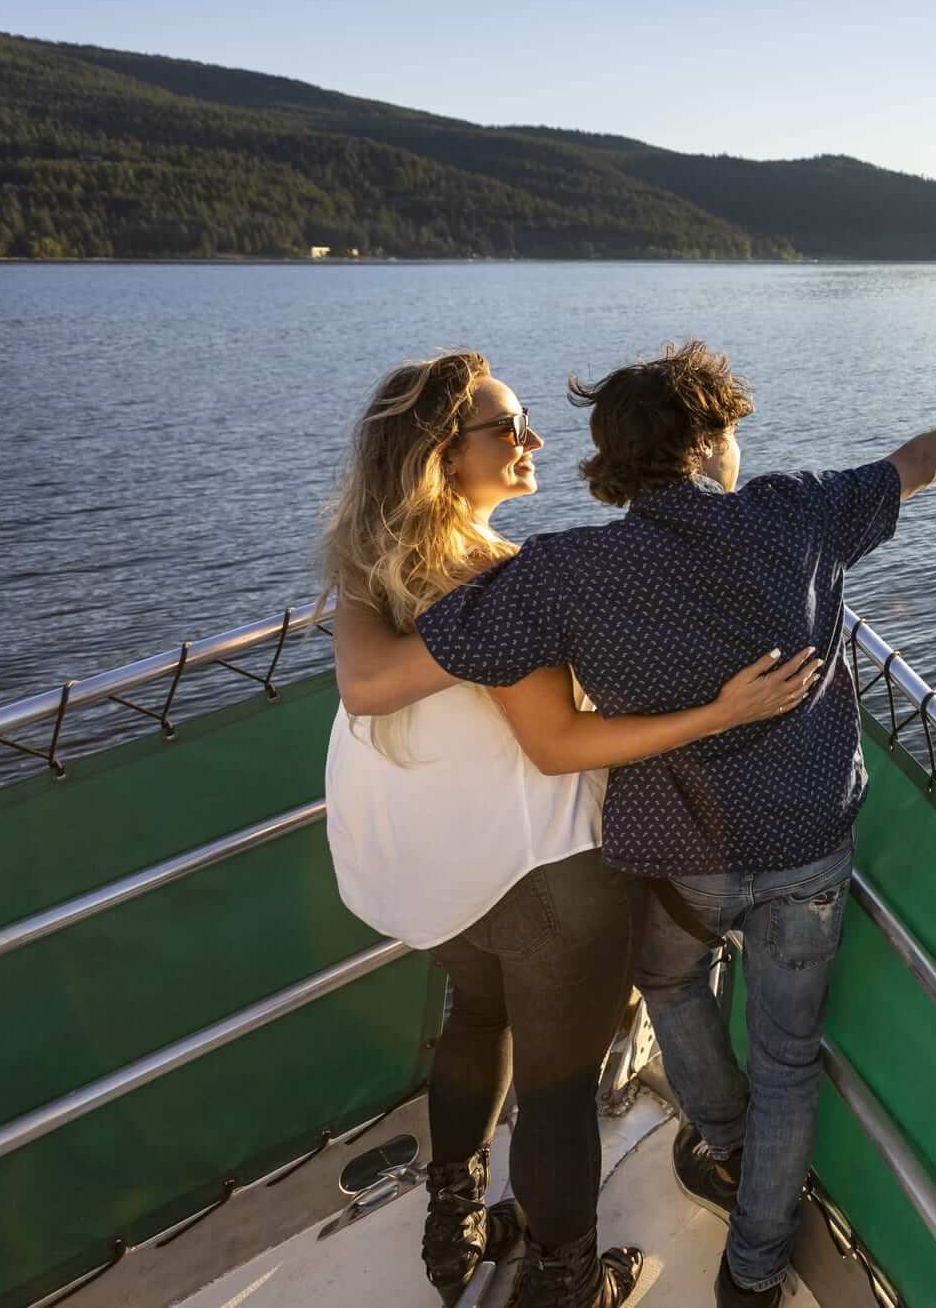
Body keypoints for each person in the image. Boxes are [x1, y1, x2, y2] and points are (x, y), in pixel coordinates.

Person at [402, 340, 936, 1308]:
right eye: (729, 428)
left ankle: (732, 1143)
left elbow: (447, 632)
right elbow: (919, 461)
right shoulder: (798, 513)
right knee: (790, 1057)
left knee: (664, 974)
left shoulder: (571, 568)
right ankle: (751, 1273)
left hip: (681, 860)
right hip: (808, 848)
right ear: (705, 438)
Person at [320, 351, 824, 1308]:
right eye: (505, 428)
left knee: (473, 1020)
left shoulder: (371, 560)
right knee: (557, 1085)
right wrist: (717, 713)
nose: (533, 440)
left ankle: (454, 1214)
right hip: (545, 871)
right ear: (439, 454)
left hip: (449, 871)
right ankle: (561, 1275)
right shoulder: (491, 579)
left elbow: (365, 680)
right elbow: (557, 745)